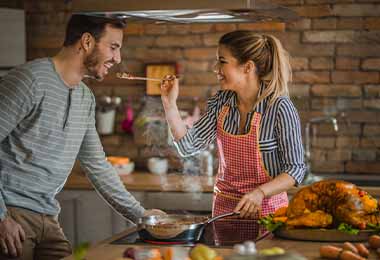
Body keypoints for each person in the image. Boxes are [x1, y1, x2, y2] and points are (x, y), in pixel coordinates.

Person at [0, 14, 164, 260]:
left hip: (48, 216)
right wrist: (1, 217)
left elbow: (97, 164)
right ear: (87, 42)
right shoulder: (29, 80)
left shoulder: (85, 97)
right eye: (113, 47)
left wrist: (141, 215)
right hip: (12, 215)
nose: (117, 58)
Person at [161, 31, 305, 229]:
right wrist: (170, 105)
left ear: (247, 67)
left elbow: (295, 170)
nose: (215, 69)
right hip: (225, 214)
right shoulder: (221, 103)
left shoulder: (279, 107)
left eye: (222, 61)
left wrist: (259, 192)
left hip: (269, 215)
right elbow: (188, 146)